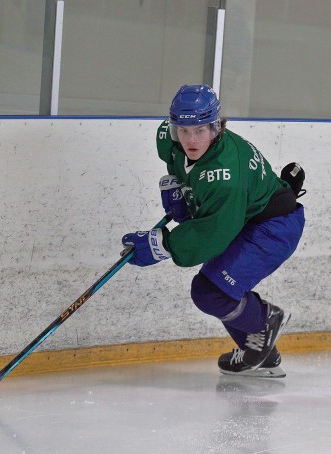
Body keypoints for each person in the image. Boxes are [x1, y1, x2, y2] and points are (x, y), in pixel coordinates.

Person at [121, 84, 306, 377]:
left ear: (217, 127)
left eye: (200, 130)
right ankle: (263, 355)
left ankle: (265, 321)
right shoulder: (171, 138)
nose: (191, 140)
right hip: (248, 218)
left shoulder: (224, 176)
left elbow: (213, 234)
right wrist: (181, 187)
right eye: (183, 130)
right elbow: (181, 164)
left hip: (273, 228)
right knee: (214, 288)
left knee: (211, 293)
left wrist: (163, 244)